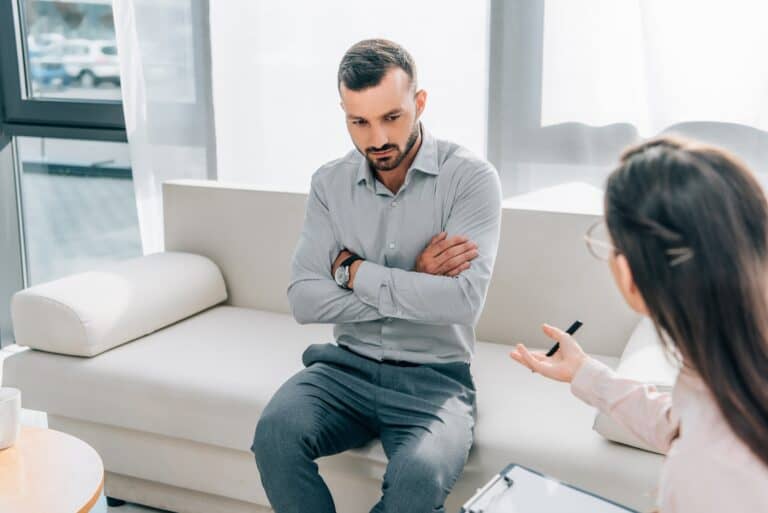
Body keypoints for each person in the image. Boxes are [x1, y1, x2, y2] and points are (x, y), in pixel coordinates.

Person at [252, 39, 502, 513]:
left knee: (419, 476)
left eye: (392, 117)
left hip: (436, 379)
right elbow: (305, 300)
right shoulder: (329, 183)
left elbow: (463, 301)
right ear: (343, 113)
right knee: (275, 434)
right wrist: (415, 277)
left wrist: (354, 271)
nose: (377, 139)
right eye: (359, 122)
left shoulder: (471, 179)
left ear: (419, 103)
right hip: (344, 367)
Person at [510, 137, 768, 512]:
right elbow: (681, 421)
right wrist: (585, 372)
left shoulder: (706, 472)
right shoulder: (731, 365)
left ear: (629, 272)